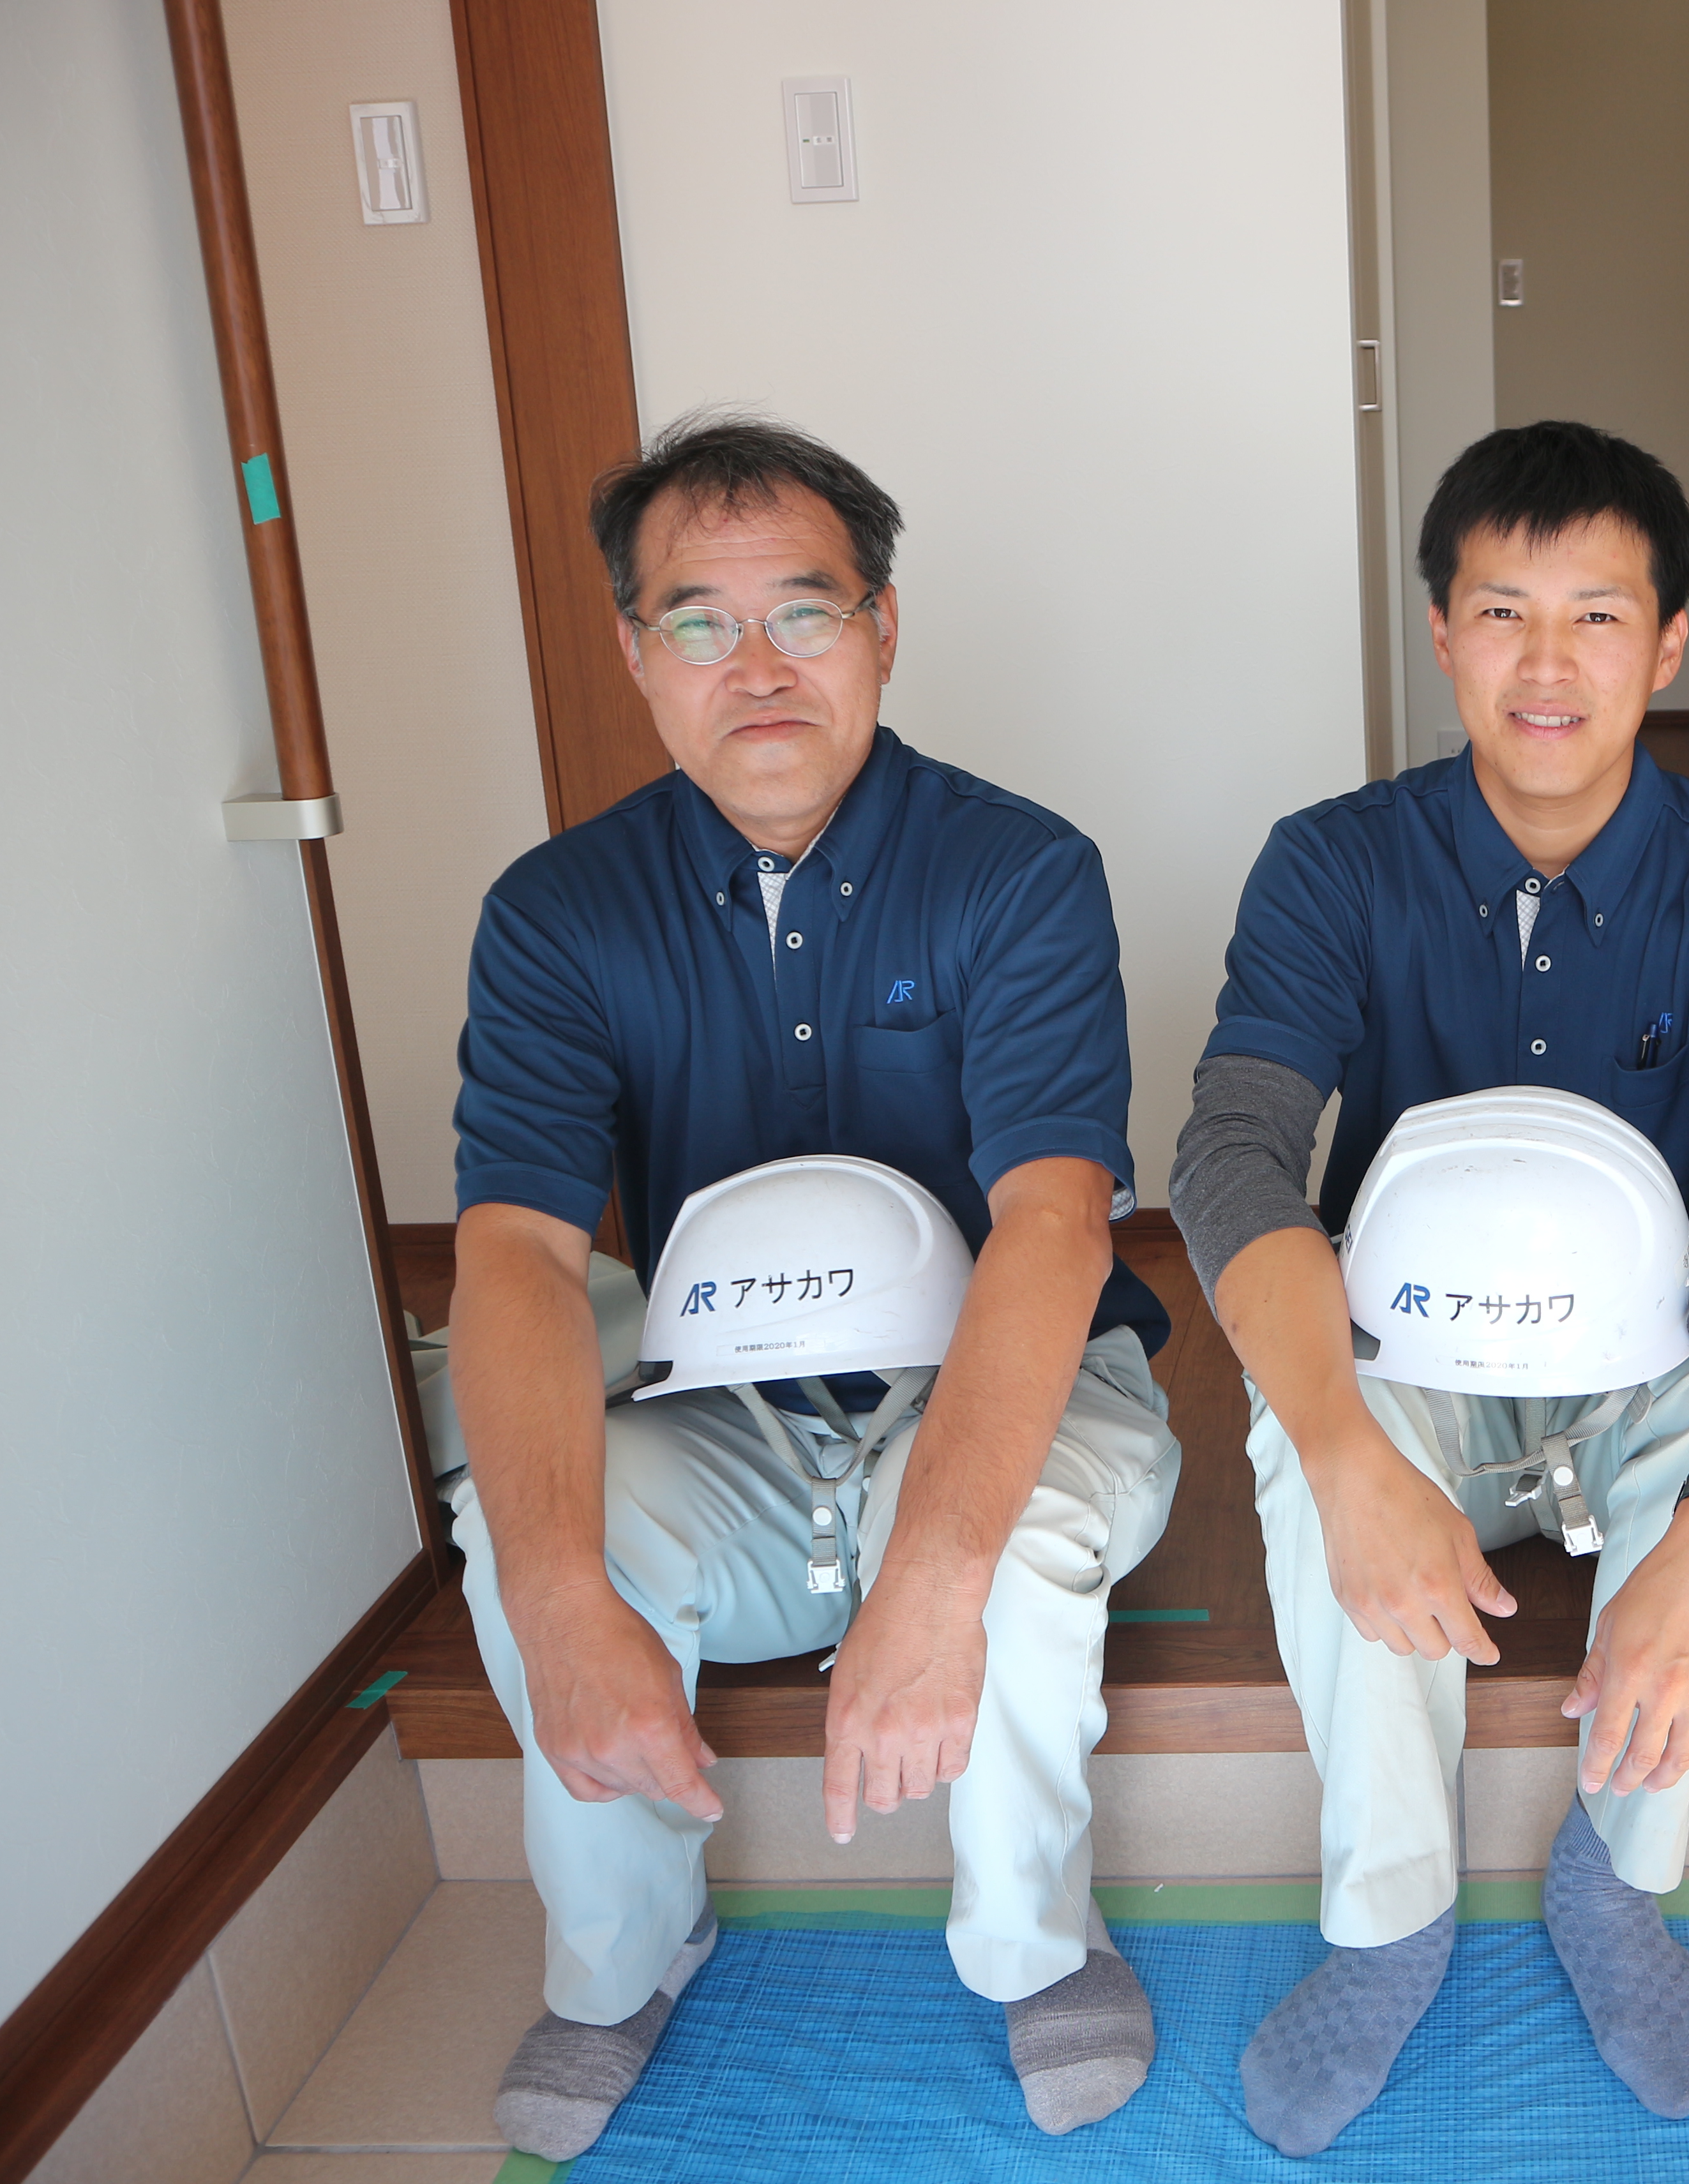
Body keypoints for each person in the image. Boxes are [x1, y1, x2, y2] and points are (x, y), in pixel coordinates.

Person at [440, 415, 1182, 2156]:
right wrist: (559, 1598)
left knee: (1015, 1543)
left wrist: (932, 1574)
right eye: (699, 622)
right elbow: (518, 1253)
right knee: (530, 1525)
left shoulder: (1018, 872)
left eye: (804, 611)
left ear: (884, 628)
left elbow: (1056, 1227)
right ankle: (620, 1962)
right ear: (636, 652)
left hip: (1013, 1383)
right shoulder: (558, 913)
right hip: (730, 1410)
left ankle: (1041, 1946)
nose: (756, 667)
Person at [1169, 423, 1689, 2155]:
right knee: (1308, 1421)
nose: (1547, 666)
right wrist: (1343, 1450)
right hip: (1419, 1367)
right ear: (1442, 632)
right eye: (1503, 613)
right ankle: (1391, 1917)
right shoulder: (1333, 862)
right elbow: (1234, 1151)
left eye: (1598, 617)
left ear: (1670, 643)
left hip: (1643, 1374)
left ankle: (1616, 1881)